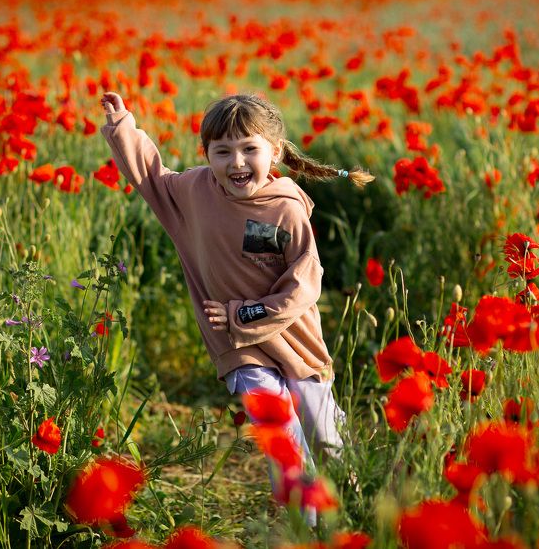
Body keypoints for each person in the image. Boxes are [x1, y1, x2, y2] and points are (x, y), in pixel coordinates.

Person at [99, 91, 372, 520]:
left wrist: (243, 313)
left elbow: (305, 285)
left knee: (325, 436)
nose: (237, 162)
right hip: (239, 349)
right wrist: (122, 127)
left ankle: (359, 510)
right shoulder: (194, 192)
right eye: (222, 151)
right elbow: (151, 175)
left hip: (297, 343)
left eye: (250, 149)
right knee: (281, 437)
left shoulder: (285, 208)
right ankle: (310, 527)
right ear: (205, 153)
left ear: (275, 152)